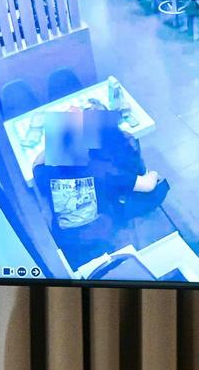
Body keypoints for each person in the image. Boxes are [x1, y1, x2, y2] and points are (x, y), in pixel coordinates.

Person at [32, 111, 168, 267]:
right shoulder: (101, 170)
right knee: (151, 189)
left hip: (65, 239)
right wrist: (153, 173)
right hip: (102, 233)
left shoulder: (45, 174)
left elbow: (36, 163)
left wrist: (56, 141)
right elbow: (148, 185)